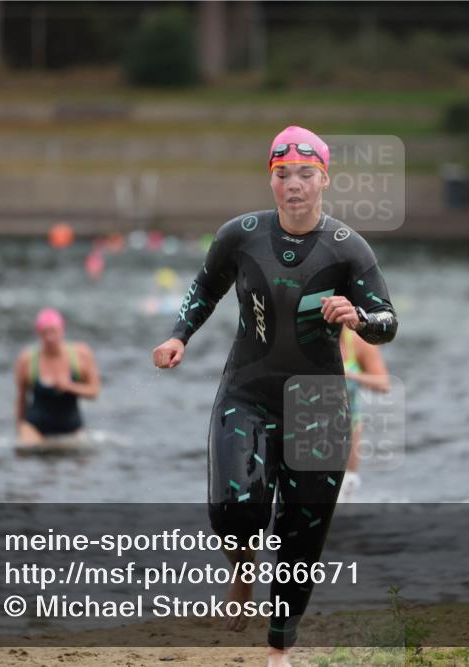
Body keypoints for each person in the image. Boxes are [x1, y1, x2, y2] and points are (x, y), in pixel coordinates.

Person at [152, 126, 397, 667]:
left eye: (305, 175)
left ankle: (278, 650)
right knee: (235, 504)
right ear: (272, 181)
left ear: (324, 180)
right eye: (283, 175)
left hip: (319, 403)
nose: (294, 185)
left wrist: (357, 317)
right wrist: (177, 336)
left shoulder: (349, 249)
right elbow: (204, 287)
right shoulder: (240, 235)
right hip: (249, 390)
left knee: (303, 532)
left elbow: (388, 323)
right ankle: (241, 566)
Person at [14, 308, 100, 444]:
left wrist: (70, 386)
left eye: (53, 331)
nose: (49, 337)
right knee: (24, 453)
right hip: (35, 427)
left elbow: (94, 392)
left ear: (62, 330)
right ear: (38, 333)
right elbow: (21, 399)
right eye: (44, 333)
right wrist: (19, 430)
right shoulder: (27, 360)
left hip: (71, 427)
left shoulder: (81, 355)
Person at [338, 326, 391, 502]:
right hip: (309, 425)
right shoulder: (305, 340)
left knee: (347, 485)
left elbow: (383, 383)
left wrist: (350, 375)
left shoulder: (357, 341)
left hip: (349, 425)